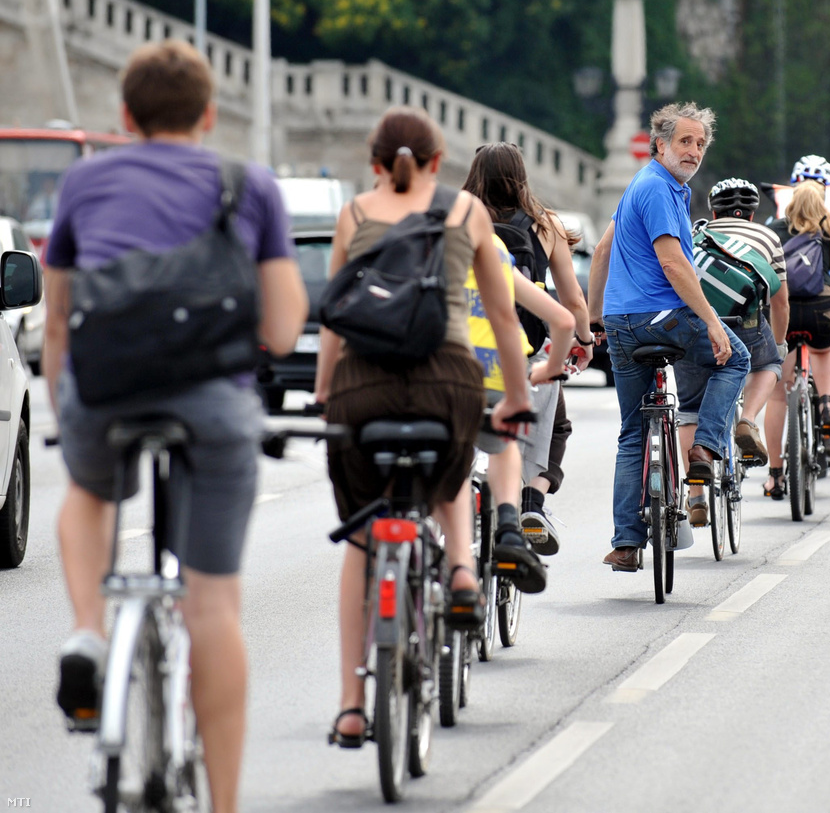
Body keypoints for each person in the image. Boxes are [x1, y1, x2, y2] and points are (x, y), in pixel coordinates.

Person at [44, 40, 309, 813]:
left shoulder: (83, 182)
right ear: (208, 114)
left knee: (88, 491)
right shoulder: (245, 184)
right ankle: (222, 804)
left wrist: (69, 410)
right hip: (212, 401)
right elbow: (288, 327)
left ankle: (89, 630)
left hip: (107, 391)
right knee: (213, 604)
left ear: (124, 115)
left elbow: (59, 318)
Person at [315, 106, 533, 748]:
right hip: (447, 380)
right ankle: (463, 570)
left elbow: (334, 317)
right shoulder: (467, 215)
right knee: (449, 478)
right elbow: (500, 314)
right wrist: (516, 396)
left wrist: (327, 392)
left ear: (375, 161)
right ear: (440, 164)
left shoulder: (353, 214)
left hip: (365, 387)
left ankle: (353, 706)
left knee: (362, 536)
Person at [587, 102, 749, 570]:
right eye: (685, 141)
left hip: (621, 323)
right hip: (666, 318)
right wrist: (714, 323)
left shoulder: (641, 186)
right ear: (660, 143)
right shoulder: (661, 189)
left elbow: (602, 251)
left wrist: (597, 319)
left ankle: (625, 544)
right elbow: (674, 264)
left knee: (632, 432)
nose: (694, 151)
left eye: (701, 143)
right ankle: (705, 447)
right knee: (734, 359)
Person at [463, 141, 594, 555]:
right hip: (527, 345)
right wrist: (586, 341)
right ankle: (533, 500)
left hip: (464, 345)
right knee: (555, 425)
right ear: (521, 176)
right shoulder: (545, 224)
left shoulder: (460, 219)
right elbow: (572, 301)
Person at [463, 229, 575, 591]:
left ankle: (452, 567)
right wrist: (548, 369)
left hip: (437, 375)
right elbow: (564, 319)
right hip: (500, 371)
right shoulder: (492, 247)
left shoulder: (412, 242)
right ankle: (511, 524)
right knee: (506, 436)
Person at [674, 178, 788, 520]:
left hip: (695, 327)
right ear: (753, 214)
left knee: (690, 409)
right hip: (745, 326)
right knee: (768, 364)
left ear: (713, 211)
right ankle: (748, 421)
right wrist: (779, 345)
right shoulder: (768, 237)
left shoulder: (696, 235)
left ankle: (695, 498)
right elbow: (779, 300)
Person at [763, 182, 830, 498]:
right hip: (824, 311)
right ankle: (828, 404)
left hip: (784, 313)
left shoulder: (774, 231)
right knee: (824, 348)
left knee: (778, 395)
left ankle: (776, 476)